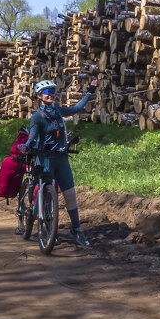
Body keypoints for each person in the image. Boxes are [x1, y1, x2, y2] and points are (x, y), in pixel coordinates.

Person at [24, 77, 97, 246]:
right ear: (39, 96)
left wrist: (89, 92)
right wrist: (27, 146)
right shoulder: (37, 117)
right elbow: (32, 136)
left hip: (61, 159)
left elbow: (77, 108)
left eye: (53, 93)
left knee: (70, 194)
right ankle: (49, 229)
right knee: (48, 195)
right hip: (45, 159)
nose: (51, 96)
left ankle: (77, 229)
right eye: (47, 93)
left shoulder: (57, 111)